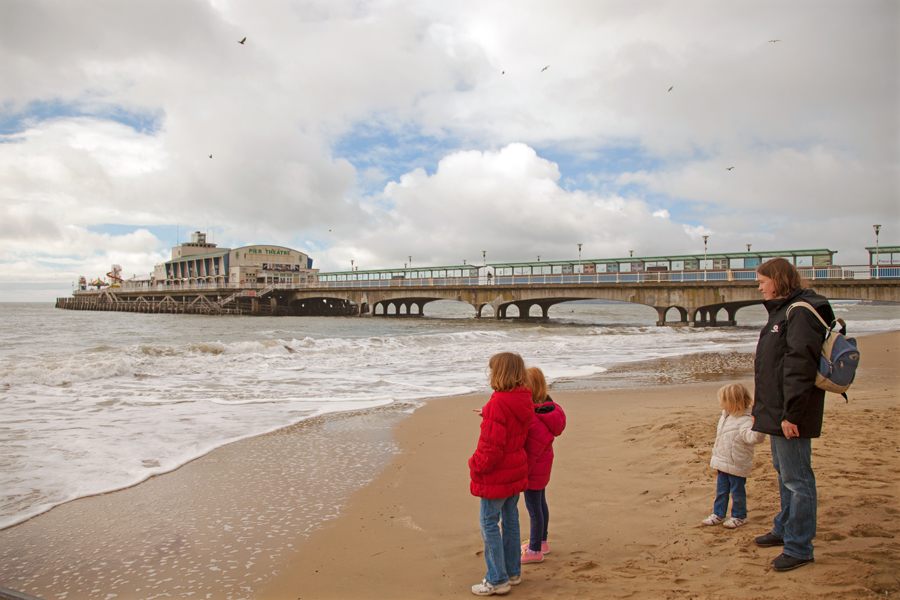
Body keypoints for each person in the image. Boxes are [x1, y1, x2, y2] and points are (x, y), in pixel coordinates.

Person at [752, 257, 835, 572]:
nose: (759, 287)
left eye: (762, 281)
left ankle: (799, 548)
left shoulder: (799, 312)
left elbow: (800, 366)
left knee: (798, 479)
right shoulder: (785, 310)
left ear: (777, 279)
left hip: (791, 412)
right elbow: (777, 366)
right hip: (778, 409)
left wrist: (791, 415)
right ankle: (784, 528)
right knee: (784, 472)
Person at [469, 352, 534, 596]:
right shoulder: (523, 399)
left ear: (500, 373)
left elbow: (491, 449)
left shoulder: (498, 403)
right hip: (515, 469)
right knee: (511, 519)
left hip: (498, 473)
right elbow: (512, 426)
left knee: (489, 522)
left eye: (492, 370)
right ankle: (513, 572)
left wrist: (476, 465)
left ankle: (497, 579)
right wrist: (489, 412)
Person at [702, 383, 766, 529]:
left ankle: (739, 516)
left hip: (737, 463)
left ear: (734, 403)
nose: (720, 404)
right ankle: (719, 514)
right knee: (721, 491)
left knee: (737, 492)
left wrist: (759, 425)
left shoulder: (745, 420)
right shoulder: (726, 417)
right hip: (722, 461)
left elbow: (755, 438)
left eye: (723, 402)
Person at [520, 367, 566, 564]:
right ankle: (541, 542)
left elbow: (531, 452)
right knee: (540, 503)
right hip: (544, 464)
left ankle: (535, 550)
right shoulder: (548, 407)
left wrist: (522, 474)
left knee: (534, 507)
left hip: (535, 468)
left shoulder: (534, 418)